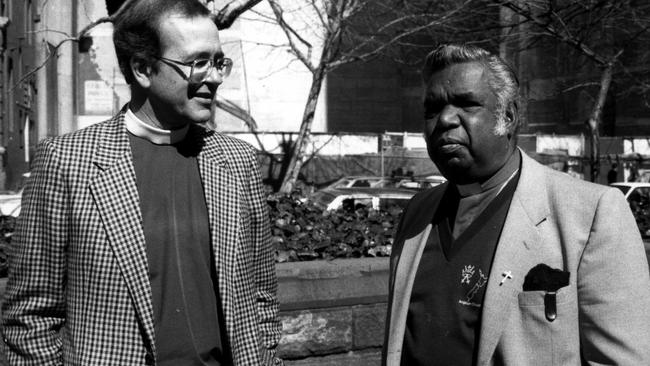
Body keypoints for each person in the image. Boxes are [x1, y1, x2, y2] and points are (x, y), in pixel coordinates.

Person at [1, 1, 283, 365]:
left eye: (218, 62)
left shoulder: (237, 162)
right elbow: (30, 315)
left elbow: (261, 296)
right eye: (197, 62)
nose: (213, 76)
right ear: (143, 68)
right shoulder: (68, 162)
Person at [382, 44, 650, 366]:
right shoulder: (417, 213)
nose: (445, 119)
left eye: (466, 104)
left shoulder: (591, 213)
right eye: (432, 108)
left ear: (508, 116)